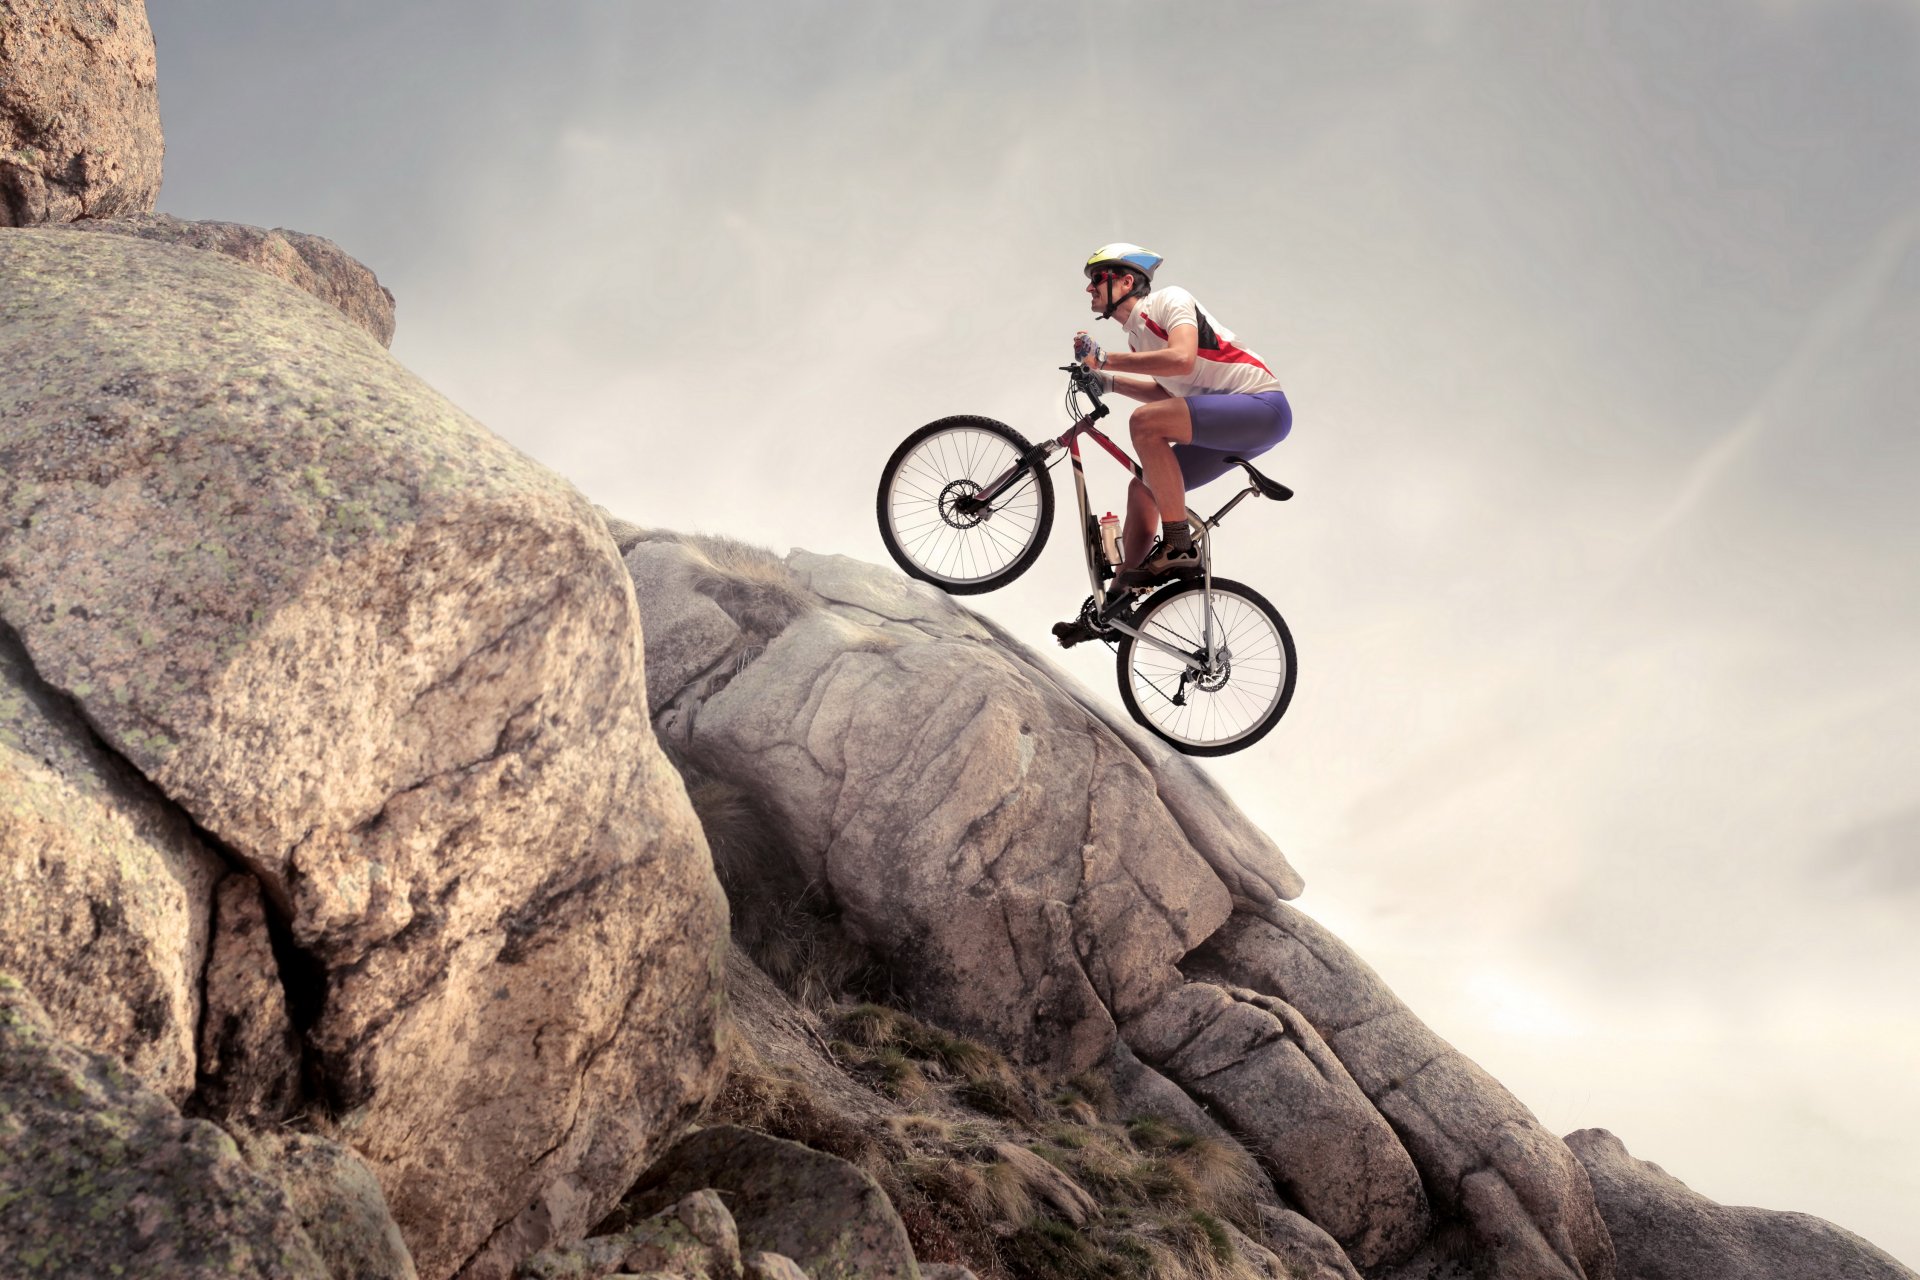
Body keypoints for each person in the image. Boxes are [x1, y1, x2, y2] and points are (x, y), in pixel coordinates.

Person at [1053, 243, 1293, 647]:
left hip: (1260, 407)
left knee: (1144, 426)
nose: (1089, 289)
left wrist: (1105, 360)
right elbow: (1168, 397)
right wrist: (1107, 382)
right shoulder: (1137, 341)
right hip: (1225, 424)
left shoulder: (1169, 300)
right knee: (1143, 490)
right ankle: (1114, 604)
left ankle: (1179, 545)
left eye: (1096, 279)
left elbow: (1181, 358)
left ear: (1126, 281)